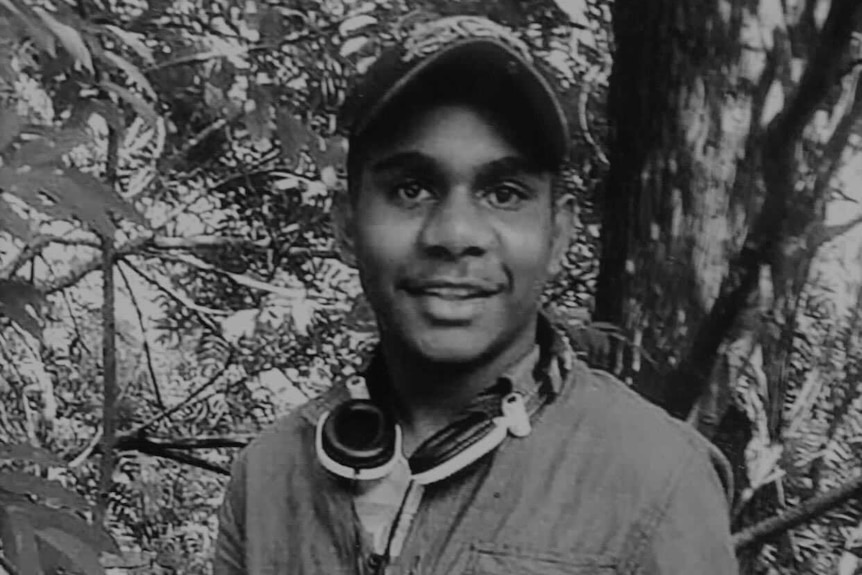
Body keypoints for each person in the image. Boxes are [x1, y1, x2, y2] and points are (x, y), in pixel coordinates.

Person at [214, 15, 739, 575]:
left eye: (505, 193)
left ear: (559, 235)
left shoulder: (658, 479)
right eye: (410, 189)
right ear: (347, 226)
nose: (455, 234)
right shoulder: (270, 476)